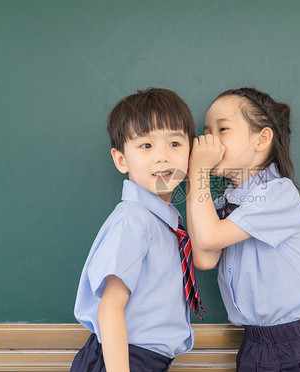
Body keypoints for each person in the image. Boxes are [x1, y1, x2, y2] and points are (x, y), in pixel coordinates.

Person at [187, 87, 300, 371]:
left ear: (262, 139)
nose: (210, 139)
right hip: (254, 344)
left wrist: (198, 172)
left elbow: (210, 236)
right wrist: (196, 179)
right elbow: (204, 256)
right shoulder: (225, 202)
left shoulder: (278, 193)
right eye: (206, 130)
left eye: (222, 129)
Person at [71, 88, 200, 372]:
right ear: (121, 160)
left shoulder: (166, 221)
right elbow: (111, 307)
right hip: (122, 360)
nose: (162, 157)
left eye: (175, 144)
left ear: (191, 150)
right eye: (146, 146)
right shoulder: (134, 219)